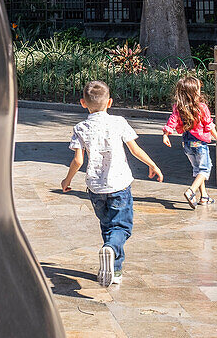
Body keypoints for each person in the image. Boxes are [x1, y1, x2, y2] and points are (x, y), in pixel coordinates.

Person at [61, 80, 162, 287]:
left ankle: (115, 270)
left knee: (108, 226)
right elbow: (134, 149)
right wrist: (152, 164)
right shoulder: (118, 122)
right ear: (110, 103)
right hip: (119, 184)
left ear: (82, 103)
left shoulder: (80, 127)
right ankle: (111, 250)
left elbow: (78, 160)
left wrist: (66, 180)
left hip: (95, 188)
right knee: (122, 227)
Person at [161, 76, 217, 209]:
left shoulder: (178, 108)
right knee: (205, 169)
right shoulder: (201, 107)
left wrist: (166, 134)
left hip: (187, 143)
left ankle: (204, 197)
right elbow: (209, 125)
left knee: (197, 170)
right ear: (194, 92)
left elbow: (172, 121)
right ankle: (191, 191)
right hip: (199, 143)